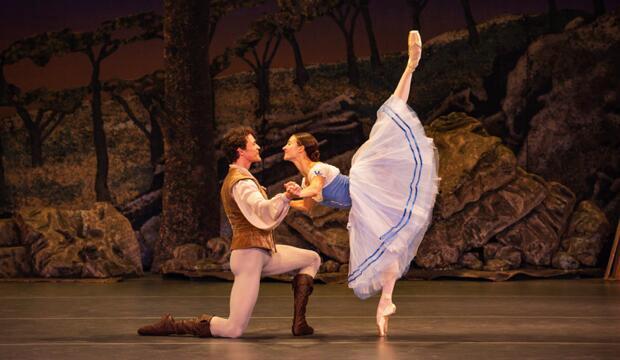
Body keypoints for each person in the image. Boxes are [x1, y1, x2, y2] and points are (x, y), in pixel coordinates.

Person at [282, 31, 439, 336]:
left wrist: (300, 192)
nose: (285, 147)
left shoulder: (318, 169)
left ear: (300, 148)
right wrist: (286, 202)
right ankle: (386, 302)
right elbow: (309, 206)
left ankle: (410, 66)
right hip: (360, 207)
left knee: (387, 120)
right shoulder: (306, 176)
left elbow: (314, 189)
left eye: (289, 143)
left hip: (364, 185)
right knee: (388, 248)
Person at [137, 127, 321, 338]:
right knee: (233, 329)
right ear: (240, 151)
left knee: (311, 259)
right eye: (253, 144)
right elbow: (262, 210)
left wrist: (289, 199)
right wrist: (286, 197)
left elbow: (263, 215)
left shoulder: (244, 178)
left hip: (262, 252)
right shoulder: (240, 182)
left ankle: (300, 323)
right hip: (249, 256)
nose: (258, 146)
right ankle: (173, 326)